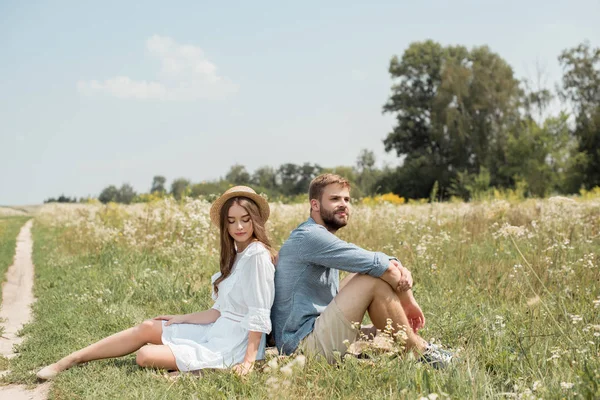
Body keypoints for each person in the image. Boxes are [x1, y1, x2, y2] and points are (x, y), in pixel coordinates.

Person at [37, 186, 276, 380]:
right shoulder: (236, 254)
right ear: (225, 225)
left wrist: (247, 362)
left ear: (255, 220)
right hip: (218, 329)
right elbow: (218, 312)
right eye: (232, 221)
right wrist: (180, 318)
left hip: (235, 342)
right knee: (148, 327)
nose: (239, 227)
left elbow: (258, 312)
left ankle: (206, 369)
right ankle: (72, 358)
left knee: (145, 355)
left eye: (245, 220)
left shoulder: (256, 254)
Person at [271, 174, 453, 368]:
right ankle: (423, 354)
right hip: (300, 346)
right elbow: (381, 267)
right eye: (334, 199)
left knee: (366, 278)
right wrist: (409, 303)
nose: (343, 204)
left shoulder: (314, 234)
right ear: (315, 205)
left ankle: (412, 345)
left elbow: (376, 263)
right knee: (371, 281)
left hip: (312, 330)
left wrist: (396, 265)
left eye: (346, 199)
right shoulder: (310, 237)